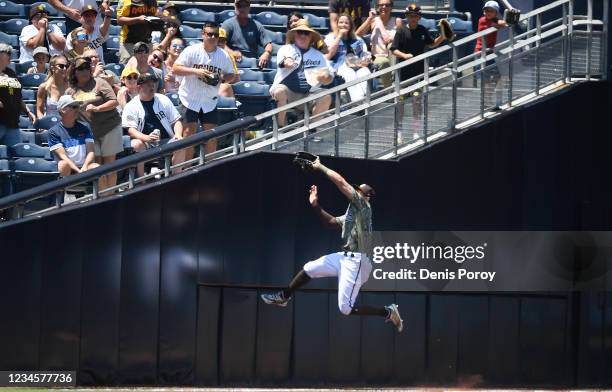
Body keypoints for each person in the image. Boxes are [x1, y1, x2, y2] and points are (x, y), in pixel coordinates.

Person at [260, 157, 403, 333]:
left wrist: (320, 167)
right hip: (345, 258)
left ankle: (388, 312)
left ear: (365, 197)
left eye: (359, 191)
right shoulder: (352, 214)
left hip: (357, 262)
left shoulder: (364, 208)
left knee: (345, 308)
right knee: (309, 268)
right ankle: (284, 296)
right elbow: (330, 223)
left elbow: (341, 182)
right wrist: (315, 205)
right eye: (356, 190)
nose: (355, 192)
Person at [172, 22, 237, 155]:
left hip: (209, 100)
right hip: (189, 98)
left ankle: (209, 168)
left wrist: (222, 79)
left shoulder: (223, 55)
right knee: (189, 134)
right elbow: (175, 68)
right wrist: (196, 72)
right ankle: (186, 169)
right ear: (203, 34)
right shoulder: (192, 50)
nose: (213, 37)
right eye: (209, 34)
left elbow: (233, 75)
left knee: (212, 136)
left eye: (215, 34)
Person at [67, 57, 123, 190]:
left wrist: (97, 108)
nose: (85, 71)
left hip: (109, 127)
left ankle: (110, 197)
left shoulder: (100, 83)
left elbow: (114, 101)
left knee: (109, 166)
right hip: (90, 133)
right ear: (74, 72)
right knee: (97, 166)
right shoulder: (71, 91)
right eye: (81, 68)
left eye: (87, 67)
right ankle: (102, 197)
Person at [270, 20, 334, 128]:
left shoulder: (318, 55)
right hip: (288, 91)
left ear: (311, 37)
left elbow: (329, 75)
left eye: (306, 33)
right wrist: (287, 63)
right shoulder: (286, 49)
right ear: (295, 35)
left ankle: (312, 130)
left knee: (326, 97)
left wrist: (326, 77)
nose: (303, 35)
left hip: (309, 93)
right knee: (279, 91)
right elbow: (282, 61)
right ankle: (280, 127)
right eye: (300, 32)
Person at [121, 72, 185, 177]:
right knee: (136, 144)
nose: (152, 86)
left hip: (165, 141)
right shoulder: (131, 106)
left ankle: (176, 177)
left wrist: (178, 134)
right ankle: (142, 182)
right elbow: (131, 130)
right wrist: (146, 138)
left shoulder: (163, 99)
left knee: (180, 143)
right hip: (145, 144)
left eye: (153, 83)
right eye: (148, 84)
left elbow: (176, 120)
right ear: (139, 87)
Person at [48, 95, 100, 179]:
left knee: (97, 167)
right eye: (74, 107)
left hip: (85, 167)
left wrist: (84, 167)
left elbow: (91, 151)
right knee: (63, 164)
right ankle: (61, 191)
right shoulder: (53, 132)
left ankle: (104, 192)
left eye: (78, 106)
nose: (77, 109)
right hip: (68, 168)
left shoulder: (85, 127)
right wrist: (78, 171)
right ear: (63, 109)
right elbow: (63, 157)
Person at [324, 14, 372, 103]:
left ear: (350, 26)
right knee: (349, 73)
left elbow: (365, 54)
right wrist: (339, 37)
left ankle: (362, 99)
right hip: (339, 66)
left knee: (366, 72)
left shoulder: (357, 39)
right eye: (341, 22)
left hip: (357, 65)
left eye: (346, 23)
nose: (343, 25)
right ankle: (358, 101)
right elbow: (328, 55)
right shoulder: (331, 37)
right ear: (337, 24)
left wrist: (366, 60)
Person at [356, 0, 399, 88]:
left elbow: (403, 38)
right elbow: (357, 35)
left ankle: (394, 84)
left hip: (393, 55)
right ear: (377, 7)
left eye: (387, 5)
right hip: (375, 56)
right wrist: (369, 19)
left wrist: (392, 39)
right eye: (381, 5)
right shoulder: (374, 21)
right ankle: (389, 90)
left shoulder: (397, 21)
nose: (384, 7)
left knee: (392, 46)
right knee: (384, 62)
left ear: (391, 7)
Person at [0, 44, 36, 146]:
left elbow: (17, 96)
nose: (10, 56)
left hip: (12, 123)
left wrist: (28, 111)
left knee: (13, 155)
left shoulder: (11, 73)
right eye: (7, 53)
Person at [475, 0, 508, 109]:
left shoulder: (495, 20)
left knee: (495, 77)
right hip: (481, 53)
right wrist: (507, 21)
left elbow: (502, 24)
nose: (488, 12)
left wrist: (507, 22)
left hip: (489, 53)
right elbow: (499, 24)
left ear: (496, 12)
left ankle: (487, 102)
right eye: (486, 10)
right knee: (488, 79)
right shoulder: (482, 20)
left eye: (491, 10)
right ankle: (485, 103)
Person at [221, 0, 273, 68]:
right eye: (239, 6)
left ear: (249, 8)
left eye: (245, 6)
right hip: (232, 63)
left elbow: (268, 44)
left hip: (252, 64)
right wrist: (232, 52)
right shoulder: (227, 24)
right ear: (235, 7)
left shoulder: (256, 25)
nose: (242, 9)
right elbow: (219, 44)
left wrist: (266, 53)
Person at [116, 0, 158, 64]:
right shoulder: (127, 1)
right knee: (127, 69)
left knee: (146, 70)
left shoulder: (154, 1)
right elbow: (119, 20)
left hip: (146, 42)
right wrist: (137, 19)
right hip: (129, 43)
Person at [217, 28, 239, 97]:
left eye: (223, 40)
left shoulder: (229, 56)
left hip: (221, 87)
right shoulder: (204, 54)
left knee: (225, 87)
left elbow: (236, 78)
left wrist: (222, 79)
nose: (220, 43)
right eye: (218, 40)